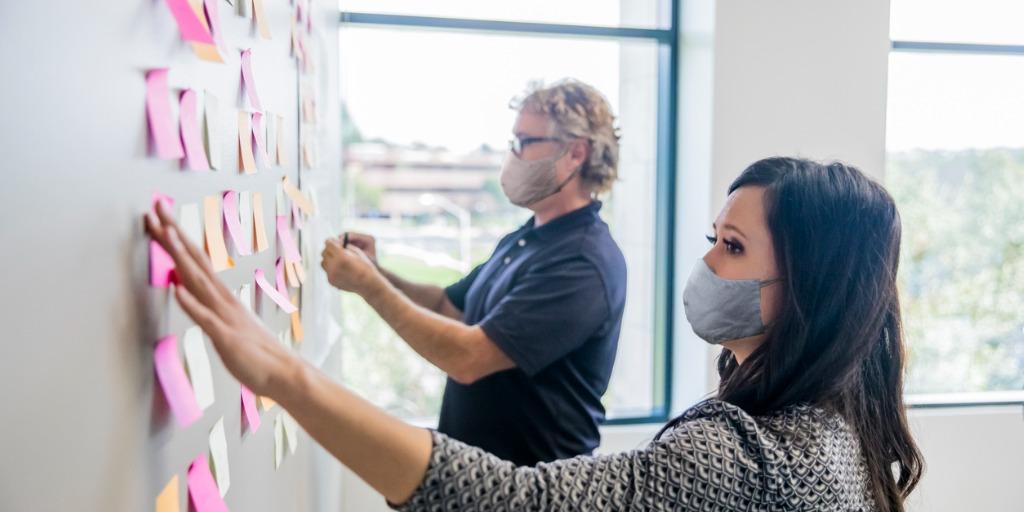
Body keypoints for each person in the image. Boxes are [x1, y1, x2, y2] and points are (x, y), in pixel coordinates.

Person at [144, 156, 924, 511]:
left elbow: (508, 472)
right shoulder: (837, 423)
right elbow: (459, 307)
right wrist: (383, 281)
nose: (707, 263)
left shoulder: (744, 456)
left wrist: (286, 374)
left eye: (733, 247)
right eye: (711, 237)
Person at [322, 80, 627, 466]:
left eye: (524, 142)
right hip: (480, 479)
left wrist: (368, 287)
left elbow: (468, 358)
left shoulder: (583, 262)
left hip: (531, 490)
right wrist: (377, 272)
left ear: (575, 153)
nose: (512, 155)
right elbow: (448, 306)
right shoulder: (529, 238)